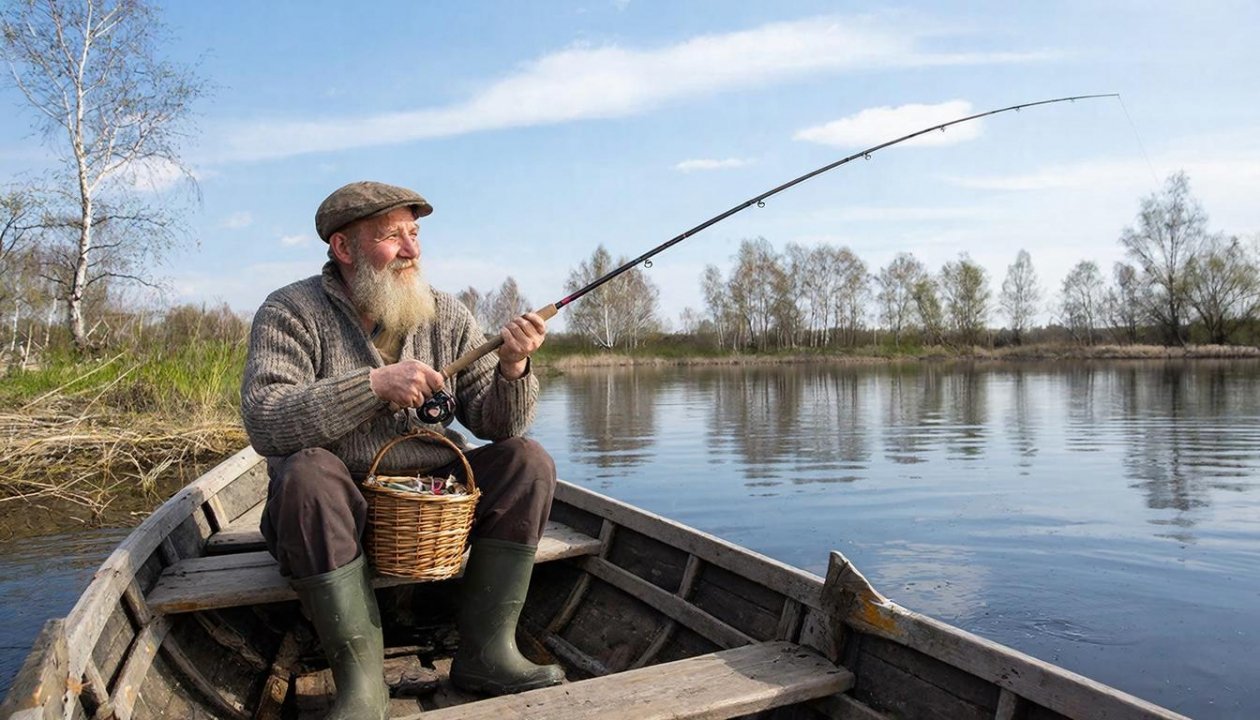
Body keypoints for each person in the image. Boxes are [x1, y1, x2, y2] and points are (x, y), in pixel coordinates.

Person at [240, 180, 564, 719]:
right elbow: (265, 419)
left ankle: (487, 653)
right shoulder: (290, 311)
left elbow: (498, 424)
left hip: (431, 513)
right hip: (331, 518)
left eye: (414, 233)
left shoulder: (447, 313)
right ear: (344, 249)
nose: (412, 248)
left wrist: (513, 368)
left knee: (527, 461)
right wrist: (370, 386)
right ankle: (362, 688)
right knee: (306, 472)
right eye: (393, 236)